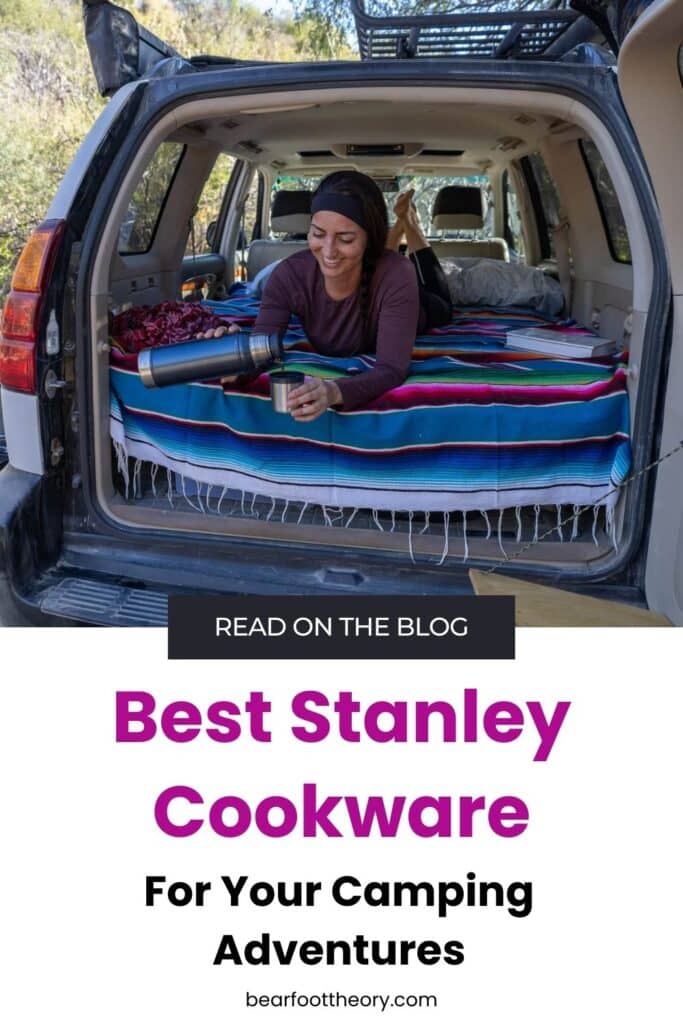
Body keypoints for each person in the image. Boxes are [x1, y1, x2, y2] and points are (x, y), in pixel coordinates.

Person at [200, 171, 452, 420]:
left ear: (369, 240)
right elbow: (261, 350)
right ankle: (398, 226)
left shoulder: (398, 273)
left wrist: (335, 391)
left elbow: (392, 369)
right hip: (379, 268)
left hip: (420, 307)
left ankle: (409, 223)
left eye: (345, 238)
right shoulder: (288, 275)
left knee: (441, 301)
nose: (329, 251)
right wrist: (233, 358)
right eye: (318, 234)